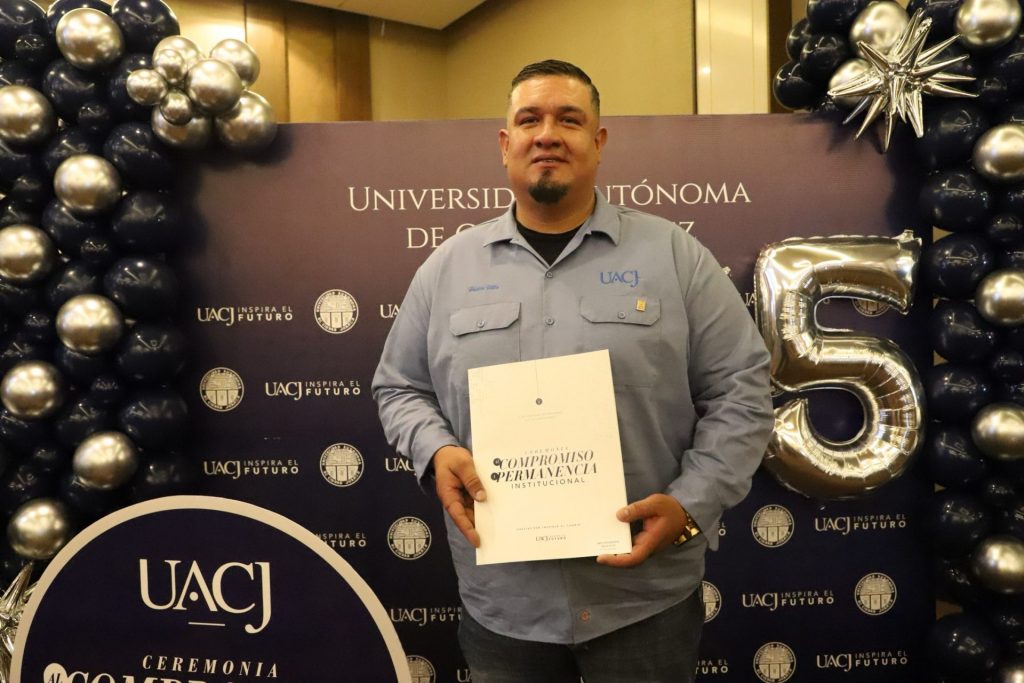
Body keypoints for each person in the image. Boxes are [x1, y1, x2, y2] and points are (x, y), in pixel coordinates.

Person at [372, 59, 773, 683]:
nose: (547, 135)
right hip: (504, 604)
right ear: (505, 143)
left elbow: (741, 391)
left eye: (569, 119)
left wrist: (691, 505)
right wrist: (436, 450)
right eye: (529, 120)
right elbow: (400, 387)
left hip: (645, 602)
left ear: (598, 140)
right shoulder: (445, 270)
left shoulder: (676, 257)